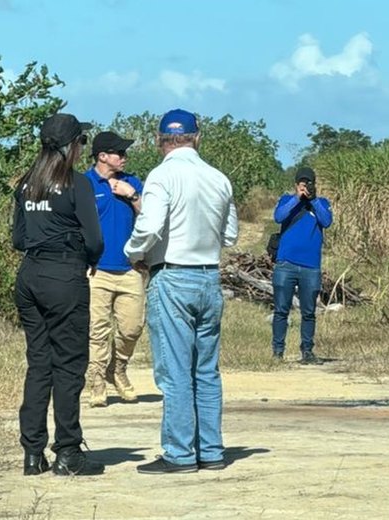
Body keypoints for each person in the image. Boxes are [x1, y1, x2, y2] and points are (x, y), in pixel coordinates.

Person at [125, 109, 238, 474]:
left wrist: (133, 253)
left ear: (159, 140)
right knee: (206, 370)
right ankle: (211, 449)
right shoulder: (218, 178)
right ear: (197, 137)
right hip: (208, 276)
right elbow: (231, 235)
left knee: (174, 371)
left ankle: (179, 452)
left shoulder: (162, 176)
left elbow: (151, 225)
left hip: (172, 274)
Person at [12, 113, 105, 476]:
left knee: (39, 364)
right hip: (64, 276)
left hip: (30, 275)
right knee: (69, 365)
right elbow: (95, 239)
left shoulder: (25, 185)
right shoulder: (76, 184)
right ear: (70, 146)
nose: (82, 148)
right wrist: (86, 256)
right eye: (80, 142)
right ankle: (68, 451)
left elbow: (19, 239)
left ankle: (32, 453)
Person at [84, 131, 144, 407]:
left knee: (132, 328)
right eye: (120, 153)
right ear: (102, 156)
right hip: (96, 271)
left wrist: (132, 196)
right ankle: (96, 379)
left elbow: (149, 217)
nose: (125, 157)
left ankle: (117, 369)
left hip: (129, 269)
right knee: (97, 330)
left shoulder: (132, 181)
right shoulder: (84, 183)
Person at [271, 166, 333, 364]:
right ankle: (278, 352)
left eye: (308, 183)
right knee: (281, 310)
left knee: (308, 312)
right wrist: (297, 198)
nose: (305, 186)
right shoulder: (286, 200)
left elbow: (327, 221)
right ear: (296, 184)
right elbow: (279, 217)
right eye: (302, 183)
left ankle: (307, 351)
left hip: (310, 266)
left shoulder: (321, 203)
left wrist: (313, 199)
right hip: (285, 263)